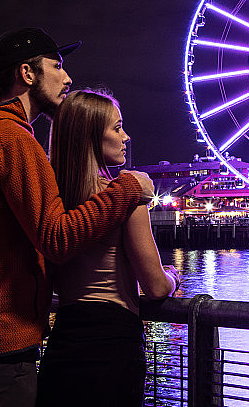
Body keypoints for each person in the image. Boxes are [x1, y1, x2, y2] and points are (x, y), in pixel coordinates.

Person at [0, 28, 155, 407]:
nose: (67, 78)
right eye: (57, 66)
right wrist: (129, 189)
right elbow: (56, 238)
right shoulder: (12, 139)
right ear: (27, 73)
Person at [36, 89, 182, 407]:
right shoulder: (125, 198)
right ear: (91, 137)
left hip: (64, 339)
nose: (126, 136)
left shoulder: (51, 202)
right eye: (117, 128)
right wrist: (173, 277)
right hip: (113, 340)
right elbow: (155, 286)